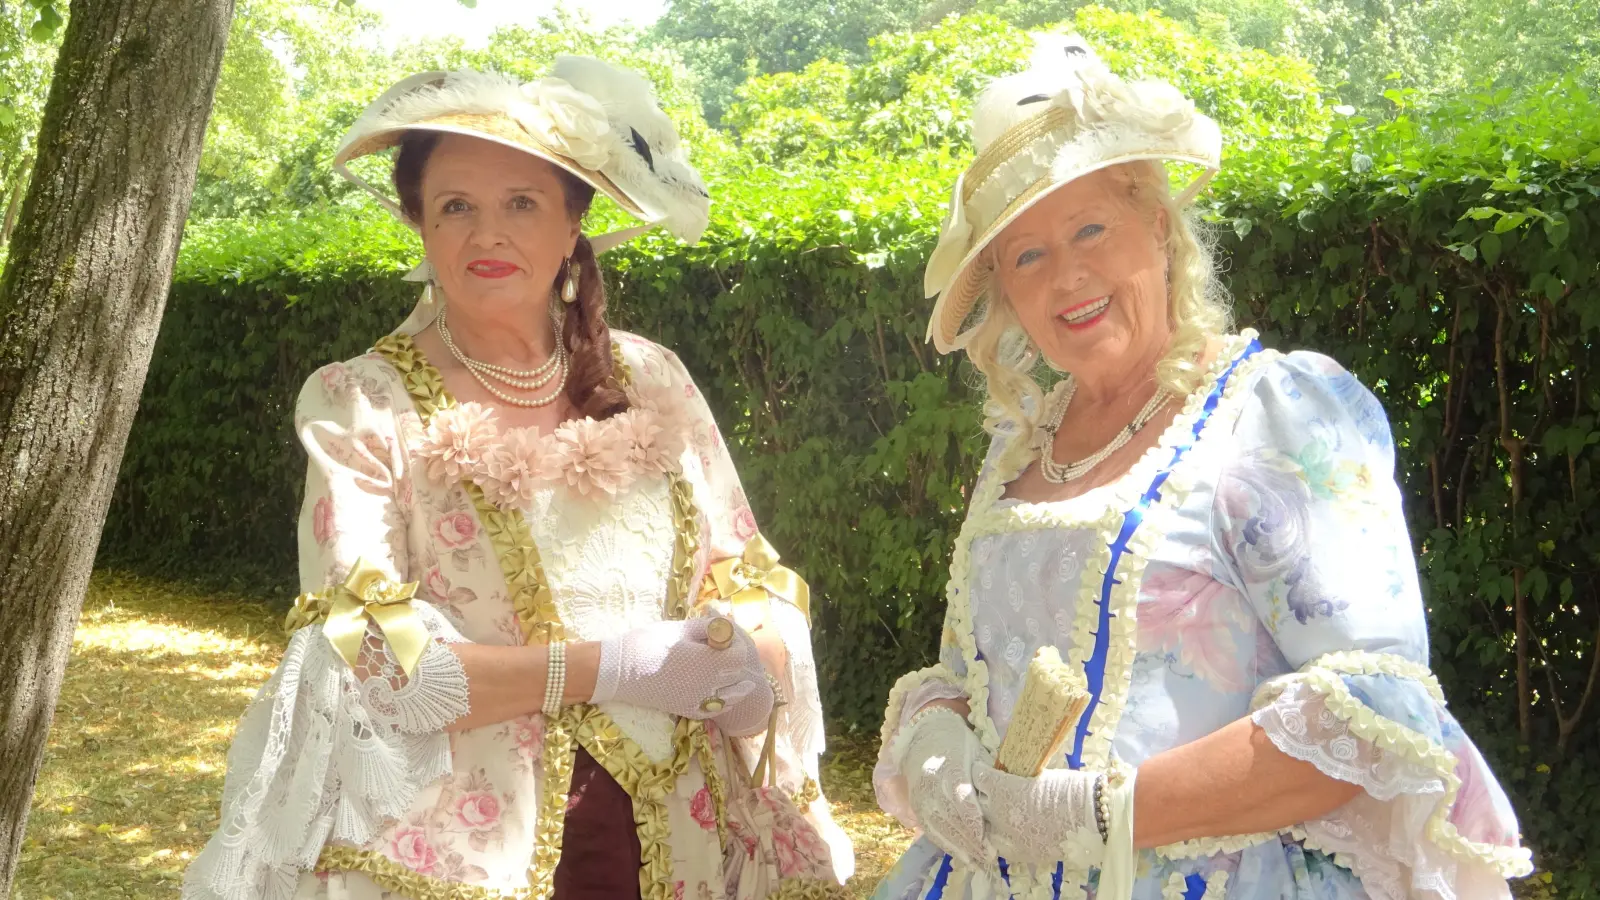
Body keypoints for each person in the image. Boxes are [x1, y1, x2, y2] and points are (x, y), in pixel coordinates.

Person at [872, 35, 1532, 900]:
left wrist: (1096, 816)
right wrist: (934, 753)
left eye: (1090, 227)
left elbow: (1373, 712)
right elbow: (968, 671)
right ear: (1004, 289)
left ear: (1156, 224)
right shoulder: (1018, 450)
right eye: (1027, 254)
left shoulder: (1276, 415)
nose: (1067, 273)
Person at [184, 57, 853, 900]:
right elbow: (367, 665)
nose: (487, 234)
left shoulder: (653, 376)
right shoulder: (360, 402)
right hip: (474, 856)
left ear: (574, 225)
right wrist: (611, 667)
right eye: (455, 205)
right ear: (420, 225)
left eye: (522, 204)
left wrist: (750, 664)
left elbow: (748, 568)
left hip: (686, 839)